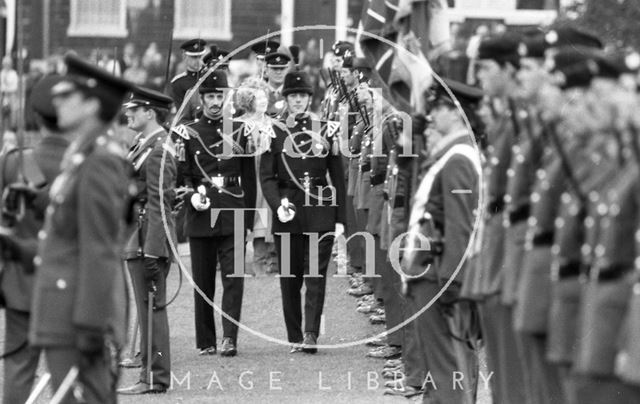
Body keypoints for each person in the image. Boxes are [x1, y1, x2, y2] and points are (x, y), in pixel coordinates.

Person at [28, 53, 133, 403]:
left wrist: (90, 324)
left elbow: (100, 247)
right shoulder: (82, 155)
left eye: (66, 94)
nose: (55, 99)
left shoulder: (100, 161)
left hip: (77, 318)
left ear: (91, 104)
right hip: (62, 310)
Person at [400, 78, 483, 403]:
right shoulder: (452, 154)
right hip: (434, 277)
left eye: (438, 108)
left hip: (439, 279)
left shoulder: (459, 158)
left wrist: (451, 285)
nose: (432, 115)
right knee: (440, 375)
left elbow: (460, 227)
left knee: (447, 374)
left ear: (456, 113)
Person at [260, 70, 346, 353]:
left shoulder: (326, 128)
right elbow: (267, 176)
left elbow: (338, 177)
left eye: (302, 96)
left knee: (316, 276)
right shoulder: (273, 131)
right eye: (293, 96)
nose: (298, 101)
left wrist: (341, 219)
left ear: (310, 99)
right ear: (286, 99)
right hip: (288, 209)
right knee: (290, 278)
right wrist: (276, 204)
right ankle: (294, 335)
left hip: (320, 209)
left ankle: (311, 334)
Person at [0, 74, 69, 404]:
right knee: (70, 376)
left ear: (36, 116)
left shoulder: (13, 162)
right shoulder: (94, 165)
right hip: (70, 285)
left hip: (22, 284)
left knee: (17, 369)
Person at [178, 70, 256, 357]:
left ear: (226, 98)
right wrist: (190, 198)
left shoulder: (239, 131)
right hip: (202, 212)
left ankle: (229, 337)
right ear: (202, 98)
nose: (214, 101)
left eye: (219, 96)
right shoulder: (188, 133)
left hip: (232, 210)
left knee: (234, 279)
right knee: (203, 280)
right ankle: (206, 339)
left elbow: (249, 179)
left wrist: (248, 220)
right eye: (210, 96)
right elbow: (182, 177)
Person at [117, 87, 177, 395]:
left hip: (147, 242)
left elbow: (160, 203)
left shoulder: (159, 149)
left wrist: (155, 250)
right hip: (136, 239)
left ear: (150, 113)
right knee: (146, 309)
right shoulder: (145, 144)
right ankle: (147, 374)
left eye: (134, 109)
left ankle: (156, 377)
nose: (128, 113)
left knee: (152, 309)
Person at [234, 77, 278, 275]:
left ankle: (273, 256)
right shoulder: (237, 124)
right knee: (252, 213)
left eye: (264, 97)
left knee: (270, 212)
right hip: (248, 175)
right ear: (248, 100)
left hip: (269, 175)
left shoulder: (275, 124)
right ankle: (255, 258)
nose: (263, 101)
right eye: (257, 97)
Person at [167, 39, 207, 120]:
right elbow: (181, 114)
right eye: (194, 57)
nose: (198, 61)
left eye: (200, 57)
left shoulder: (211, 77)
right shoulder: (178, 83)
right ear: (184, 57)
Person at [263, 52, 291, 118]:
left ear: (287, 70)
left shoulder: (293, 93)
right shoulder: (259, 92)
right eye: (274, 69)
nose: (278, 72)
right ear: (266, 70)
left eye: (282, 69)